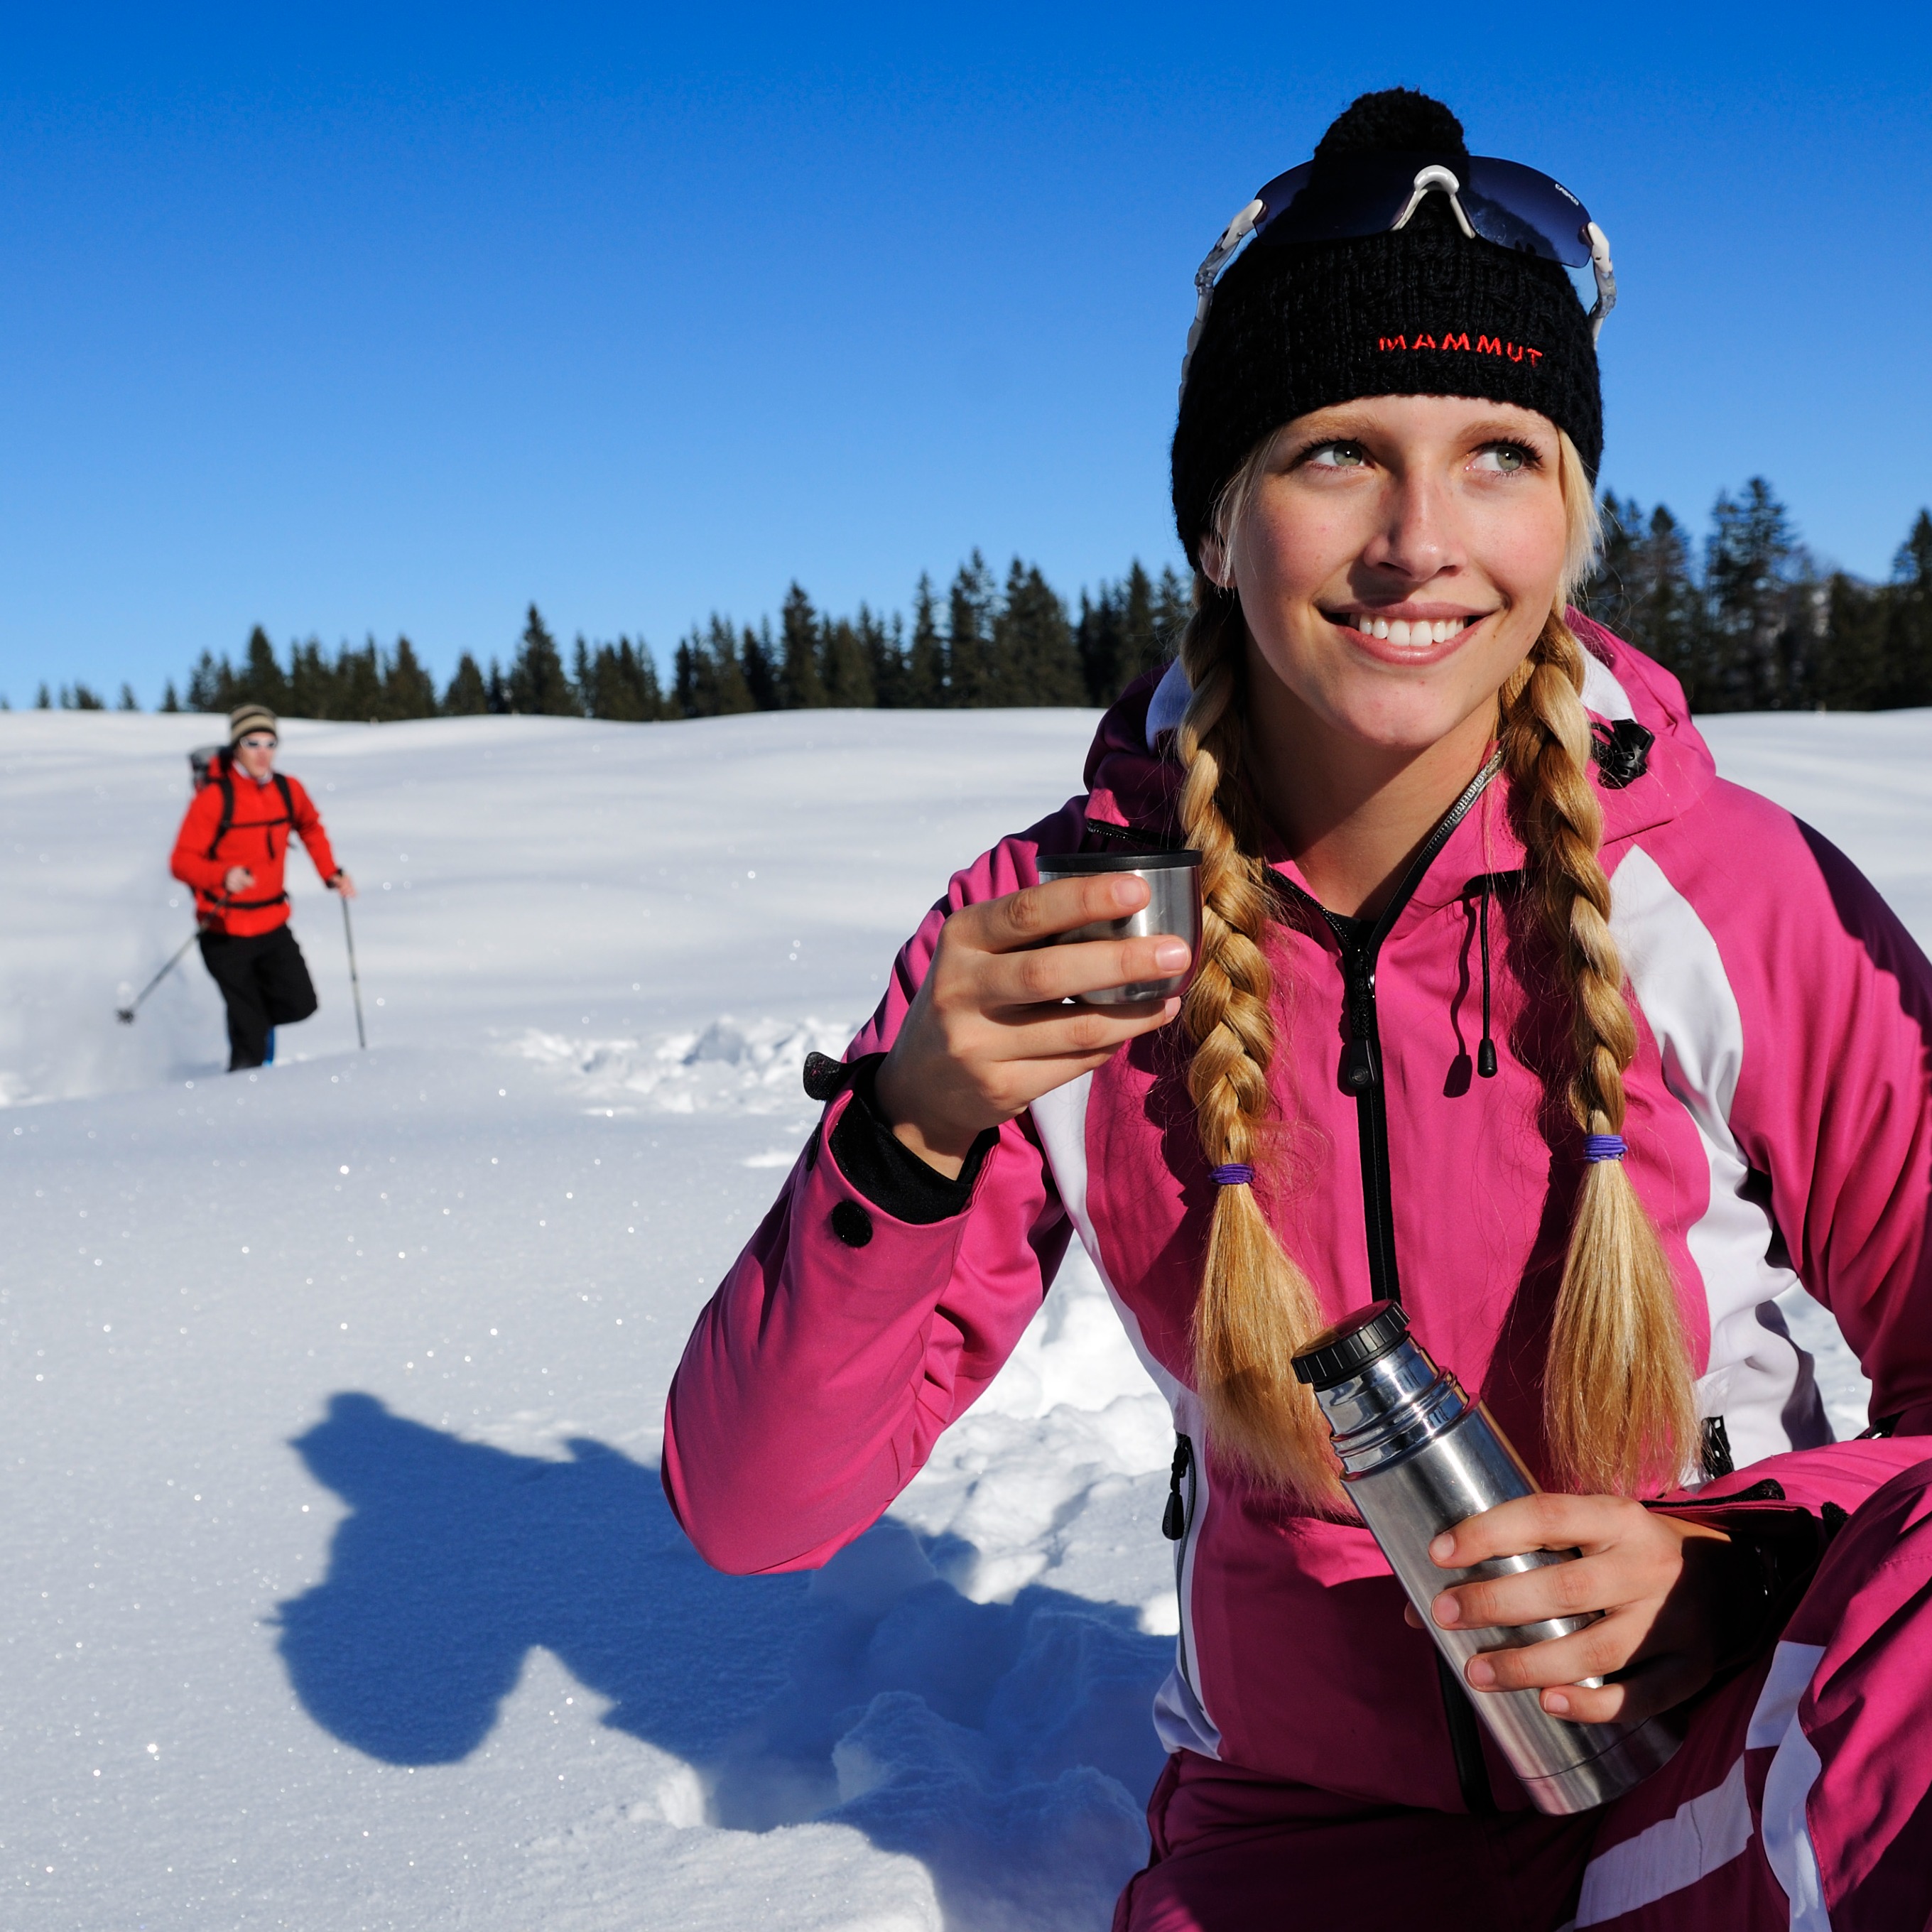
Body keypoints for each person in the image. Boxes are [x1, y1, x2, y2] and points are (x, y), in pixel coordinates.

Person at [663, 90, 1932, 1931]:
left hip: (1748, 1745)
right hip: (1312, 1828)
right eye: (1339, 450)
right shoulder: (1060, 929)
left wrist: (1730, 1567)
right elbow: (754, 1508)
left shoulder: (1728, 898)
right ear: (1218, 516)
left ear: (1570, 513)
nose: (1425, 538)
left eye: (1500, 453)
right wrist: (911, 1122)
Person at [170, 702, 356, 1070]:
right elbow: (181, 861)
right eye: (253, 743)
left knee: (300, 1004)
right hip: (224, 931)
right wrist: (222, 875)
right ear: (236, 745)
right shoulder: (214, 799)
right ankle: (242, 1100)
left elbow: (310, 827)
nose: (262, 753)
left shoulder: (288, 790)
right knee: (250, 1033)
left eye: (270, 743)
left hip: (272, 924)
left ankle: (252, 1031)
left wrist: (330, 872)